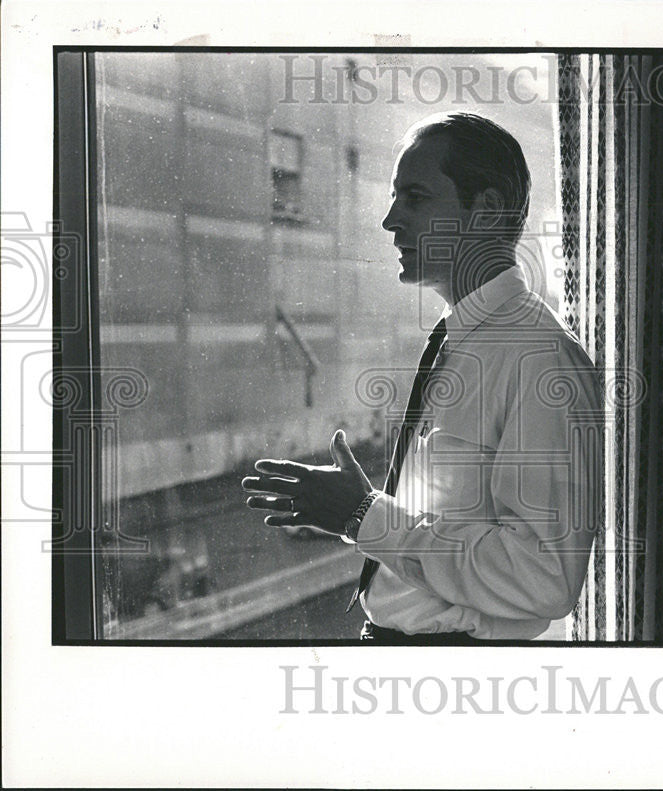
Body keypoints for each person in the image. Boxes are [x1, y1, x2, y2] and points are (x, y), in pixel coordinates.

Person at [243, 112, 602, 642]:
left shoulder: (541, 362)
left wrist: (363, 515)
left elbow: (543, 577)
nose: (390, 220)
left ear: (485, 212)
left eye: (414, 197)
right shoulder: (459, 343)